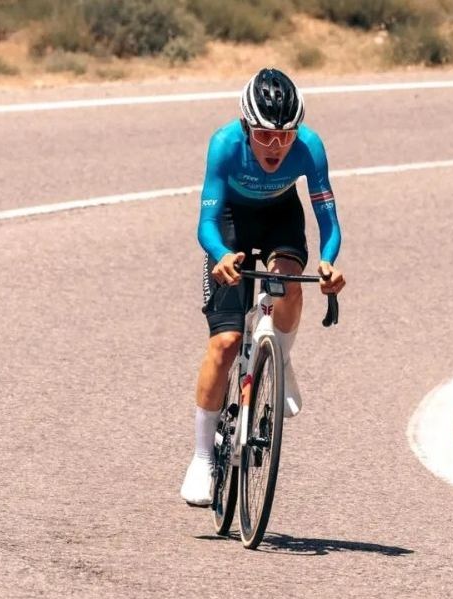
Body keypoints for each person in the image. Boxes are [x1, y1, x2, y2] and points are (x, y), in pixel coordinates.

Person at [181, 67, 346, 506]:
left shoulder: (309, 147)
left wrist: (328, 262)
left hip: (279, 216)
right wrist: (221, 255)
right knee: (225, 343)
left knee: (290, 282)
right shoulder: (224, 144)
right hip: (231, 223)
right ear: (245, 126)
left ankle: (280, 357)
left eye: (285, 136)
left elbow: (328, 221)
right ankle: (202, 457)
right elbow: (206, 222)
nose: (275, 146)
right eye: (264, 135)